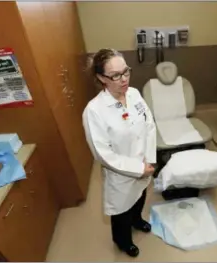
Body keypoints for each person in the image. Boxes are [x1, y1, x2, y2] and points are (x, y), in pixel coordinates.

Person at [82, 48, 157, 257]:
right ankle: (123, 241)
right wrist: (137, 168)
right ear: (101, 78)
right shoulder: (94, 111)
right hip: (121, 174)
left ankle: (138, 220)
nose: (123, 79)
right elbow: (102, 153)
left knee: (140, 196)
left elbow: (149, 125)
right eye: (115, 75)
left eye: (126, 72)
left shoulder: (134, 94)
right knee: (121, 210)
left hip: (144, 164)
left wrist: (149, 160)